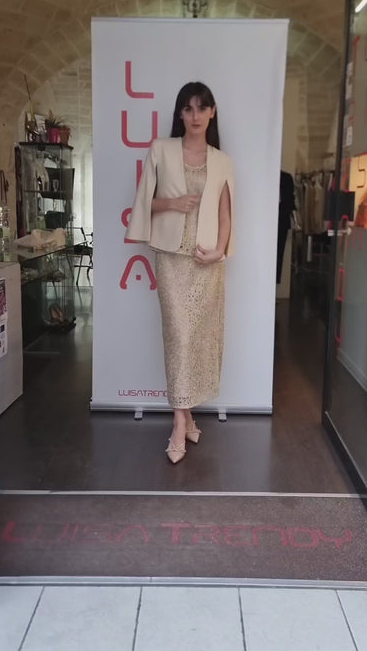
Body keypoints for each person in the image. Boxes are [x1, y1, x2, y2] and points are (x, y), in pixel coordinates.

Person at [126, 82, 234, 463]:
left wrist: (219, 251)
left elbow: (225, 214)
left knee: (198, 341)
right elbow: (143, 204)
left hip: (206, 263)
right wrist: (174, 202)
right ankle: (178, 422)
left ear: (212, 112)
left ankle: (186, 415)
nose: (195, 116)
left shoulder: (222, 161)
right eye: (188, 109)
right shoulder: (161, 150)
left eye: (202, 108)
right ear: (180, 114)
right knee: (179, 338)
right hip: (172, 259)